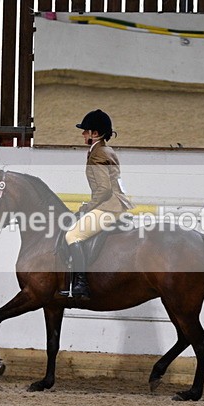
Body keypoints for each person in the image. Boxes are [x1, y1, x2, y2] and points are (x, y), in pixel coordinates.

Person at [64, 109, 132, 300]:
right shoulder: (103, 150)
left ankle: (81, 284)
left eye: (86, 130)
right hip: (115, 203)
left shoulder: (98, 154)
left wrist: (88, 206)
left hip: (109, 205)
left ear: (95, 133)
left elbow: (103, 189)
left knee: (72, 235)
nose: (83, 134)